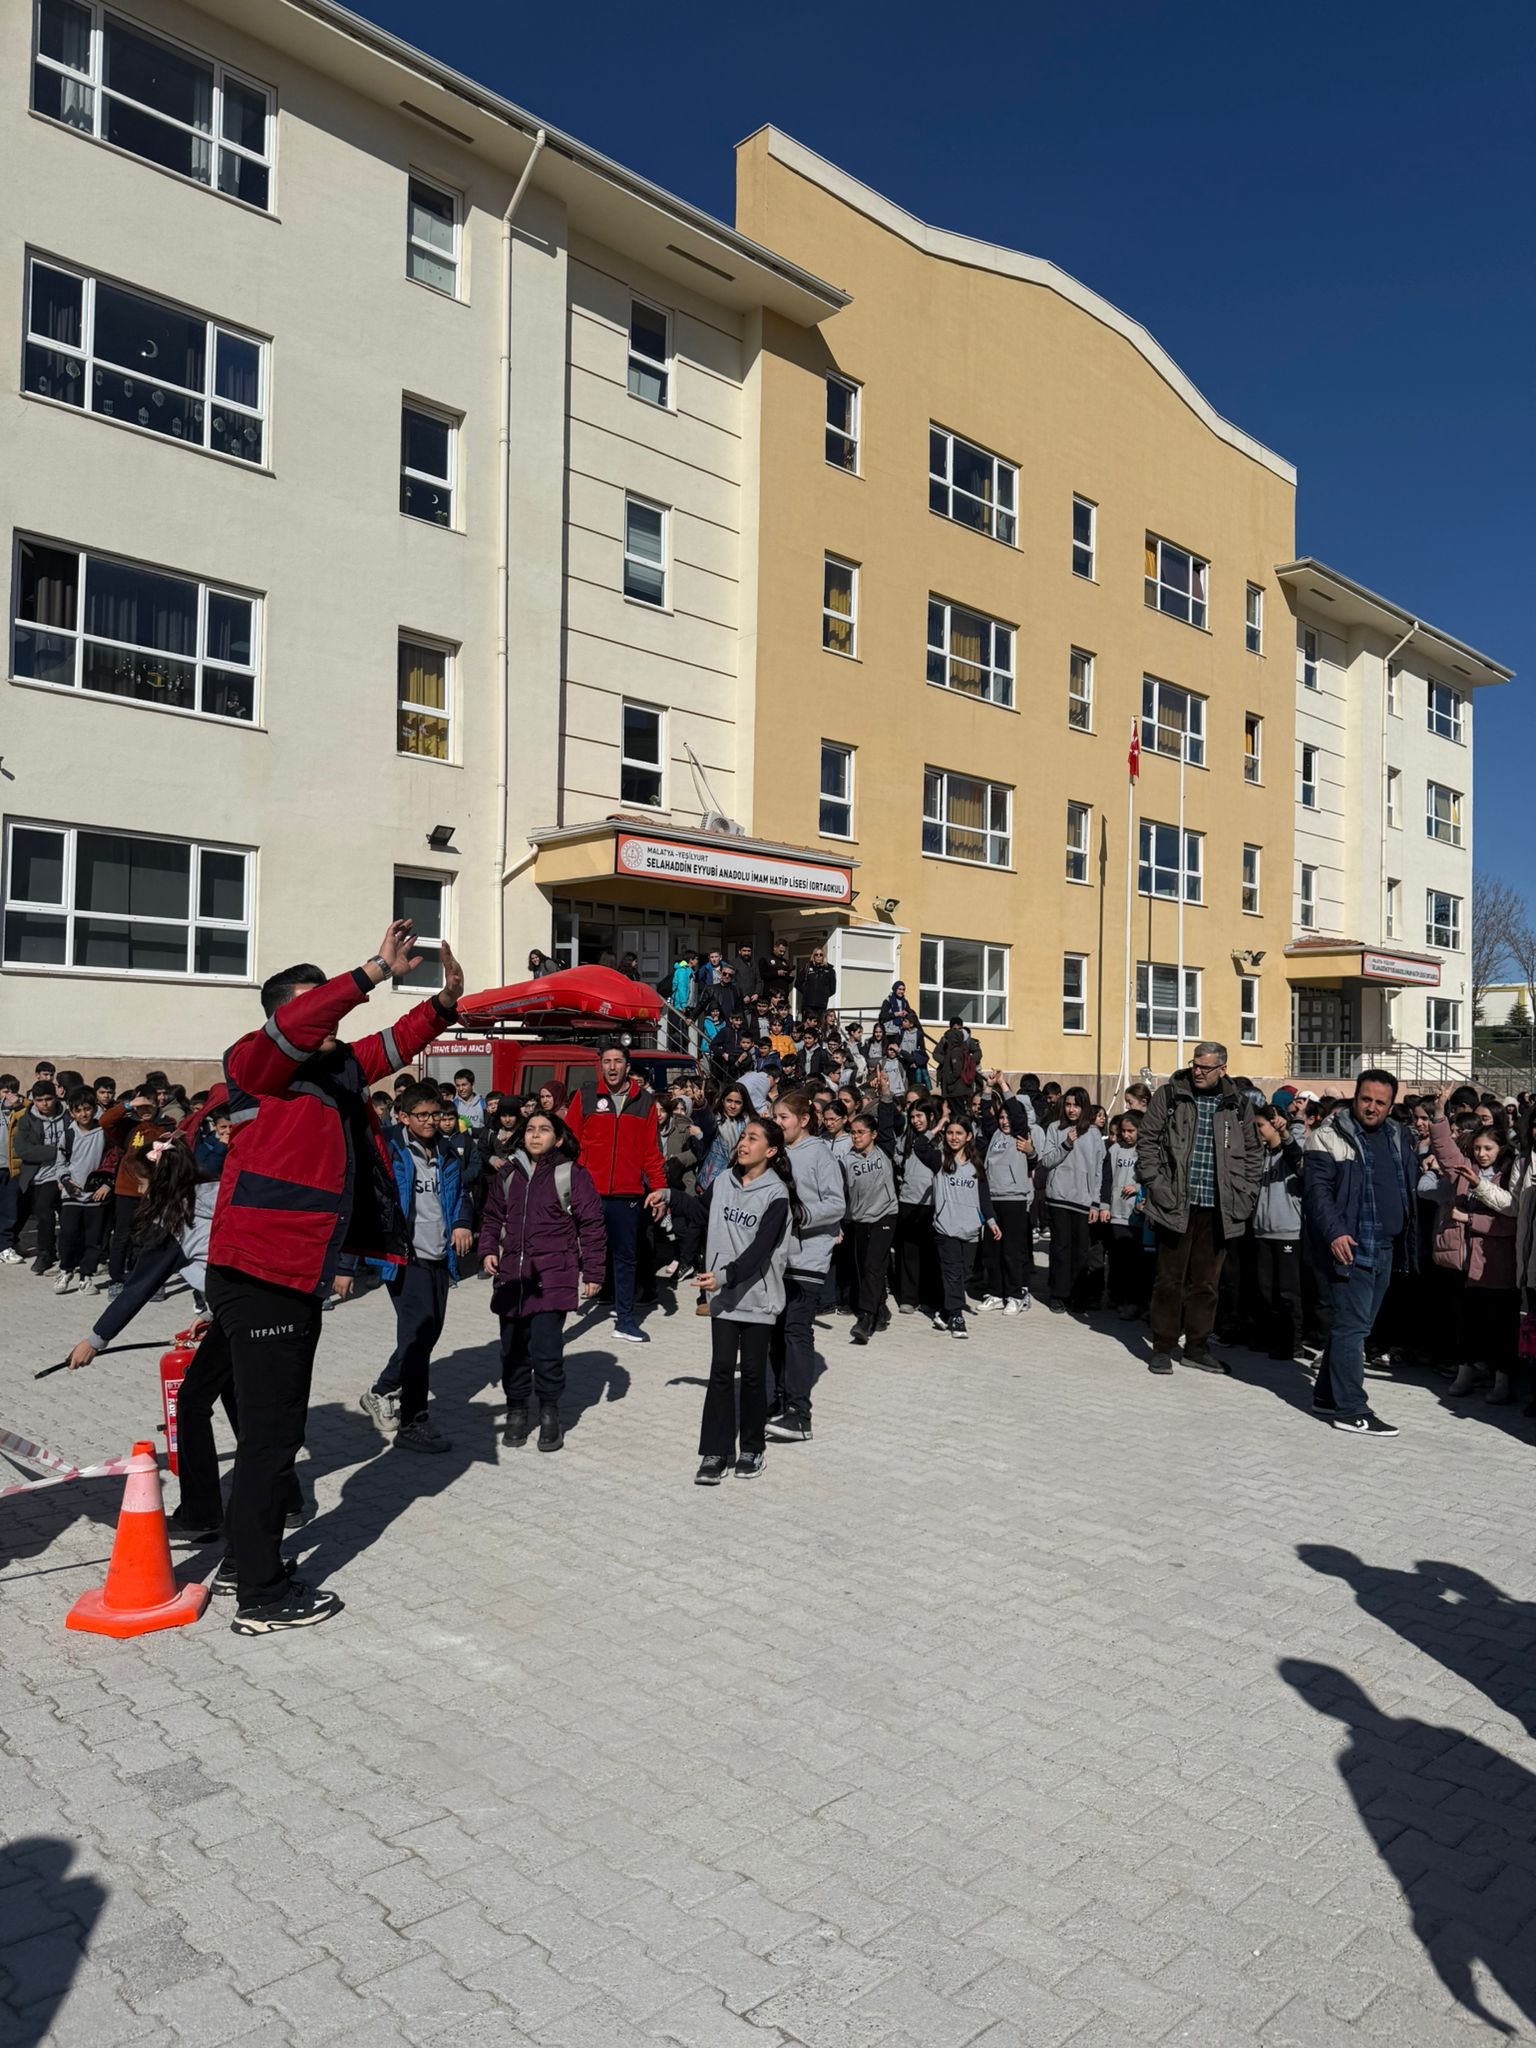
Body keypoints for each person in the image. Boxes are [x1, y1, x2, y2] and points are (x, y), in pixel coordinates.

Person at [204, 917, 465, 1635]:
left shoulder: (332, 1068)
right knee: (270, 1439)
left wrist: (441, 1006)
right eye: (315, 1006)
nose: (335, 1015)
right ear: (285, 1017)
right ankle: (260, 1592)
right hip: (261, 1276)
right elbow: (309, 1021)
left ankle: (241, 1564)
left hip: (287, 1277)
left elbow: (390, 1046)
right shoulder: (254, 1062)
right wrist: (369, 974)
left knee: (268, 1435)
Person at [354, 1082, 475, 1452]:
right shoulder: (389, 1149)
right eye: (421, 1115)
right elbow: (367, 1193)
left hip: (440, 1254)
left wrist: (462, 1222)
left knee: (428, 1333)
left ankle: (380, 1391)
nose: (429, 1121)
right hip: (404, 1257)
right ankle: (413, 1421)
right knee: (419, 1338)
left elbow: (460, 1196)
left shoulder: (447, 1151)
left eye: (435, 1114)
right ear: (403, 1117)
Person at [479, 1108, 606, 1453]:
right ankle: (517, 1409)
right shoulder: (508, 1174)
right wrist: (487, 1249)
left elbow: (592, 1225)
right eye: (531, 1129)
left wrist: (593, 1272)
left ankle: (550, 1411)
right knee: (512, 1350)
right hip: (511, 1279)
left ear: (559, 1138)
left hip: (554, 1276)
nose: (536, 1135)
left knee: (546, 1350)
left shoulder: (571, 1175)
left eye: (544, 1129)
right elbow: (492, 1217)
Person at [1302, 1069, 1418, 1436]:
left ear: (1390, 1105)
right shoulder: (1328, 1135)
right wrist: (1336, 1232)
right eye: (1365, 1099)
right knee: (1353, 1329)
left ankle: (1325, 1395)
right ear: (1355, 1097)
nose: (1371, 1107)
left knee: (1353, 1326)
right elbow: (1317, 1193)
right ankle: (1352, 1409)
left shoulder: (1398, 1135)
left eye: (1379, 1102)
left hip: (1387, 1245)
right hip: (1351, 1246)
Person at [1137, 1041, 1261, 1377]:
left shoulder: (1237, 1104)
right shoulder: (1170, 1096)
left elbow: (1253, 1153)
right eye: (1195, 1064)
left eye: (1205, 1067)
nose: (1198, 1071)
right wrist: (1157, 1185)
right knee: (1168, 1281)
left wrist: (1246, 1195)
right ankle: (1162, 1347)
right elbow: (1146, 1140)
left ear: (1223, 1068)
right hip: (1176, 1204)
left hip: (1219, 1208)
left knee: (1206, 1283)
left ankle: (1196, 1347)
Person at [564, 1042, 668, 1345]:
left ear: (627, 1066)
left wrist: (659, 1187)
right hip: (588, 1193)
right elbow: (569, 1143)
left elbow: (651, 1151)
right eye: (606, 1061)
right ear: (600, 1065)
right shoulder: (584, 1097)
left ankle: (624, 1320)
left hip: (628, 1194)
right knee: (574, 1251)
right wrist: (570, 1182)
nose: (611, 1067)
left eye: (617, 1061)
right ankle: (559, 1307)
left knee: (625, 1257)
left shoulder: (644, 1101)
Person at [766, 1091, 845, 1441]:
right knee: (775, 1332)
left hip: (809, 1257)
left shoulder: (820, 1154)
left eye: (784, 1117)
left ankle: (800, 1414)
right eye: (775, 1117)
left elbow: (836, 1204)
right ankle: (780, 1399)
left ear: (803, 1119)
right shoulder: (777, 1153)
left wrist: (801, 1216)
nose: (778, 1123)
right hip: (778, 1258)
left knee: (796, 1331)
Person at [1426, 1106, 1518, 1403]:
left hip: (1498, 1264)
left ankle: (1502, 1379)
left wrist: (1471, 1220)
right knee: (1465, 1321)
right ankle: (1465, 1371)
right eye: (1477, 1148)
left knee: (1499, 1326)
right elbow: (1446, 1154)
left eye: (1488, 1148)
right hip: (1466, 1263)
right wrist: (1439, 1119)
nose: (1481, 1154)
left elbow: (1510, 1222)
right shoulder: (1468, 1171)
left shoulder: (1509, 1175)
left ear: (1500, 1148)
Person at [1034, 1087, 1105, 1316]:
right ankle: (1058, 1294)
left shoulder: (1093, 1133)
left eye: (1076, 1105)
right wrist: (1065, 1144)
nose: (1072, 1109)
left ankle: (1078, 1294)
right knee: (1060, 1248)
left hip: (1083, 1201)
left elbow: (1097, 1171)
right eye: (1068, 1104)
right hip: (1058, 1198)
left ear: (1084, 1108)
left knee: (1081, 1251)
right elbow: (1046, 1161)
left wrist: (1096, 1202)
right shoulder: (1055, 1129)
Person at [931, 1117, 999, 1338]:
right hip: (946, 1227)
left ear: (969, 1136)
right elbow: (920, 1147)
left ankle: (944, 1312)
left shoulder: (975, 1164)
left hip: (970, 1229)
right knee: (952, 1273)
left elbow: (983, 1196)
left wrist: (991, 1221)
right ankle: (957, 1316)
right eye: (950, 1133)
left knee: (965, 1273)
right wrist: (939, 1125)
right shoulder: (939, 1159)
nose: (953, 1137)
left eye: (959, 1133)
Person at [843, 1112, 898, 1344]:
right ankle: (881, 1308)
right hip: (860, 1219)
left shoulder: (883, 1150)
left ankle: (866, 1319)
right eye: (853, 1132)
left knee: (874, 1266)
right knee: (866, 1268)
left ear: (873, 1134)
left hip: (885, 1215)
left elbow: (887, 1124)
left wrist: (885, 1093)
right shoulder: (847, 1161)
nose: (856, 1137)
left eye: (860, 1132)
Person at [53, 1087, 112, 1296]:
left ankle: (86, 1276)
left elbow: (113, 1162)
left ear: (94, 1109)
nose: (83, 1114)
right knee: (68, 1235)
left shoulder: (104, 1133)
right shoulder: (68, 1135)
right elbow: (60, 1164)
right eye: (78, 1110)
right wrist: (66, 1181)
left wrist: (107, 1185)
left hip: (96, 1196)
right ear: (71, 1113)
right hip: (71, 1196)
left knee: (93, 1239)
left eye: (87, 1109)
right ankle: (66, 1270)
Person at [980, 1102, 1033, 1313]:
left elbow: (1018, 1115)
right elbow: (985, 1116)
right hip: (993, 1197)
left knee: (1011, 1250)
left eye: (1008, 1118)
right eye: (1001, 1117)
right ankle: (996, 1293)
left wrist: (1003, 1086)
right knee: (992, 1250)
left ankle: (1015, 1295)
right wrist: (987, 1091)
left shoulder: (1020, 1135)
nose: (1005, 1122)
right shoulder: (995, 1135)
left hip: (1014, 1199)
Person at [14, 1078, 67, 1277]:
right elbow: (23, 1150)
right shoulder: (27, 1120)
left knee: (55, 1212)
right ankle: (47, 1251)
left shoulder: (68, 1116)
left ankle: (54, 1252)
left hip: (63, 1173)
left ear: (56, 1098)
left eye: (48, 1099)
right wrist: (56, 1151)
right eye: (39, 1100)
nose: (44, 1104)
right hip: (37, 1175)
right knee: (42, 1213)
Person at [894, 1100, 942, 1315]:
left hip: (931, 1203)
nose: (915, 1121)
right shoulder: (907, 1138)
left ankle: (930, 1297)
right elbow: (898, 1158)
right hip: (908, 1201)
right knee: (908, 1252)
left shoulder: (940, 1140)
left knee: (930, 1253)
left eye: (919, 1116)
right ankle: (908, 1297)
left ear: (931, 1116)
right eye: (912, 1117)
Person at [935, 1017, 979, 1110]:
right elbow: (936, 1054)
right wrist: (947, 1062)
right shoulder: (945, 1039)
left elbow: (977, 1052)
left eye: (960, 1029)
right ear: (950, 1028)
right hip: (949, 1076)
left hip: (963, 1076)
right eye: (955, 1029)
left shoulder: (966, 1039)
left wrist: (968, 1062)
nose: (957, 1031)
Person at [795, 946, 836, 1022]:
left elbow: (833, 989)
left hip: (821, 1005)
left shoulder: (830, 970)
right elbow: (797, 983)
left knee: (819, 1026)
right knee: (808, 1026)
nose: (818, 957)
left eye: (821, 955)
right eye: (816, 954)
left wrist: (823, 995)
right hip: (808, 1004)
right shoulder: (807, 967)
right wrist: (807, 992)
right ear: (813, 956)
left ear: (824, 956)